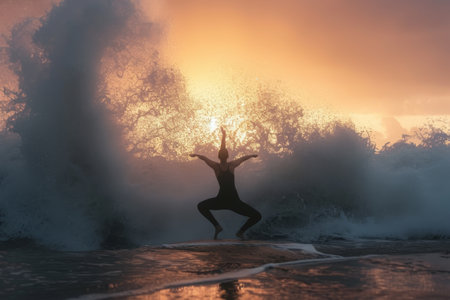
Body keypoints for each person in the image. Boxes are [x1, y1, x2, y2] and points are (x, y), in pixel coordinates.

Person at [190, 127, 262, 240]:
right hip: (233, 201)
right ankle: (236, 231)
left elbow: (205, 158)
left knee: (201, 206)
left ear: (219, 156)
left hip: (223, 201)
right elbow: (242, 158)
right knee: (257, 216)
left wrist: (196, 155)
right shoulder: (231, 165)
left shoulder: (216, 167)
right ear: (227, 156)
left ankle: (221, 227)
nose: (223, 153)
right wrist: (251, 155)